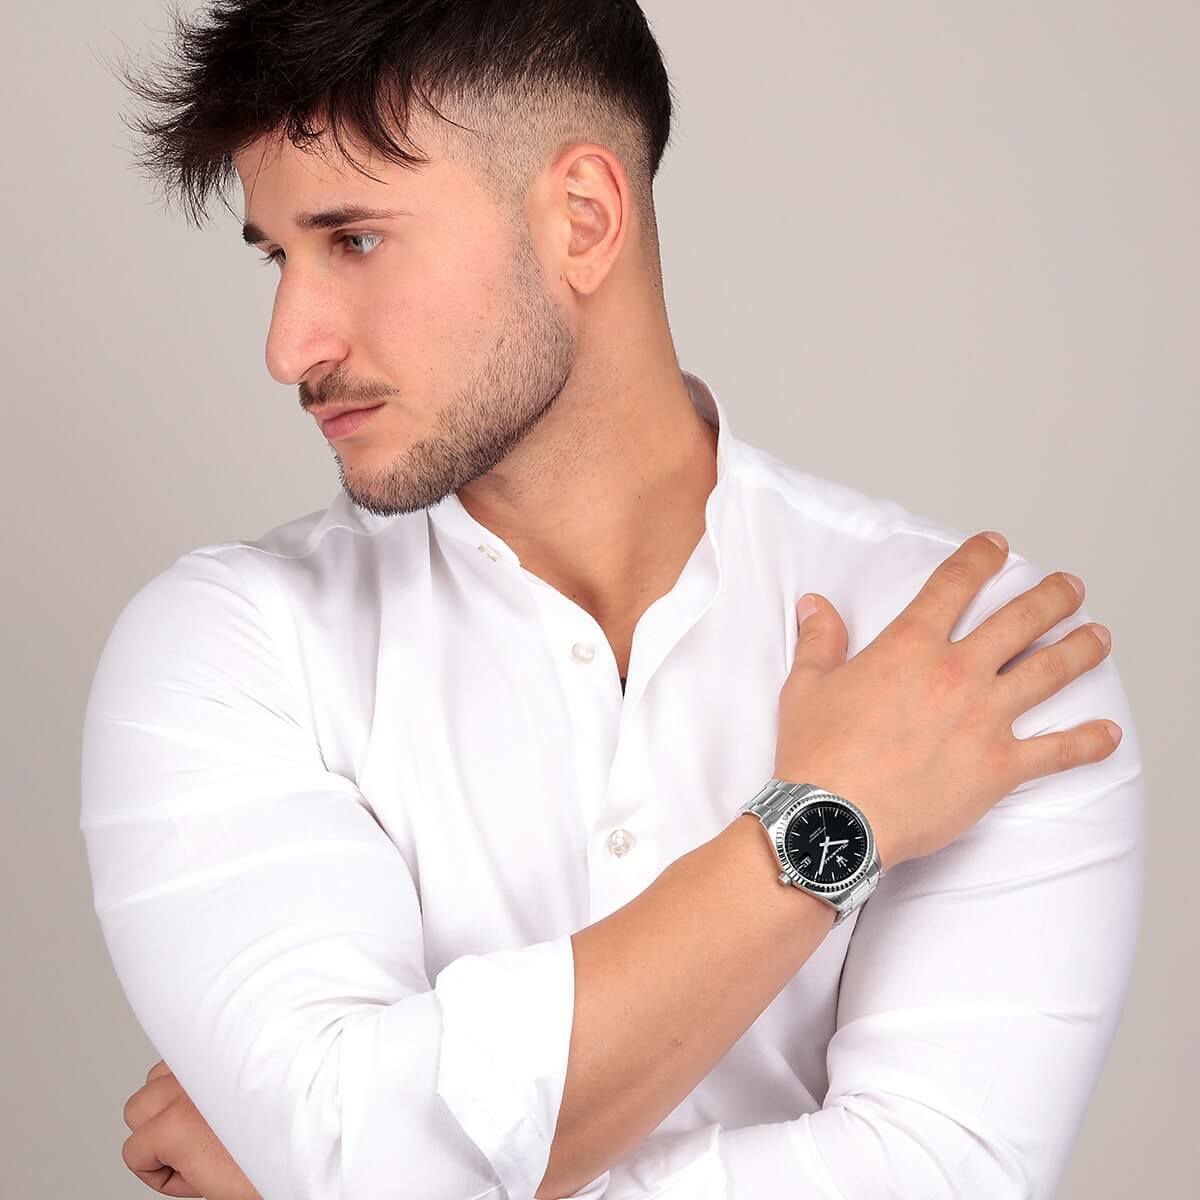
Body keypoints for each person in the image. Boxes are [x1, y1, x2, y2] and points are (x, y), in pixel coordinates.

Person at [85, 4, 1142, 1199]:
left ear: (582, 218)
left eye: (355, 240)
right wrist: (826, 823)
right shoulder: (229, 648)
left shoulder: (975, 662)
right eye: (279, 257)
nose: (291, 347)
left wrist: (351, 1169)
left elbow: (941, 1179)